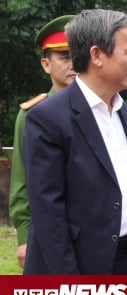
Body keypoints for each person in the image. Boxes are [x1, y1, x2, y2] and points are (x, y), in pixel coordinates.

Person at [22, 9, 127, 274]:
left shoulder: (126, 114)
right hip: (88, 263)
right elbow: (48, 213)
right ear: (97, 55)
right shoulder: (48, 119)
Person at [8, 15, 76, 269]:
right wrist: (25, 238)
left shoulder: (103, 109)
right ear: (46, 64)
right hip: (50, 232)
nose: (73, 64)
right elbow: (21, 183)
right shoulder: (34, 114)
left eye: (77, 56)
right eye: (65, 57)